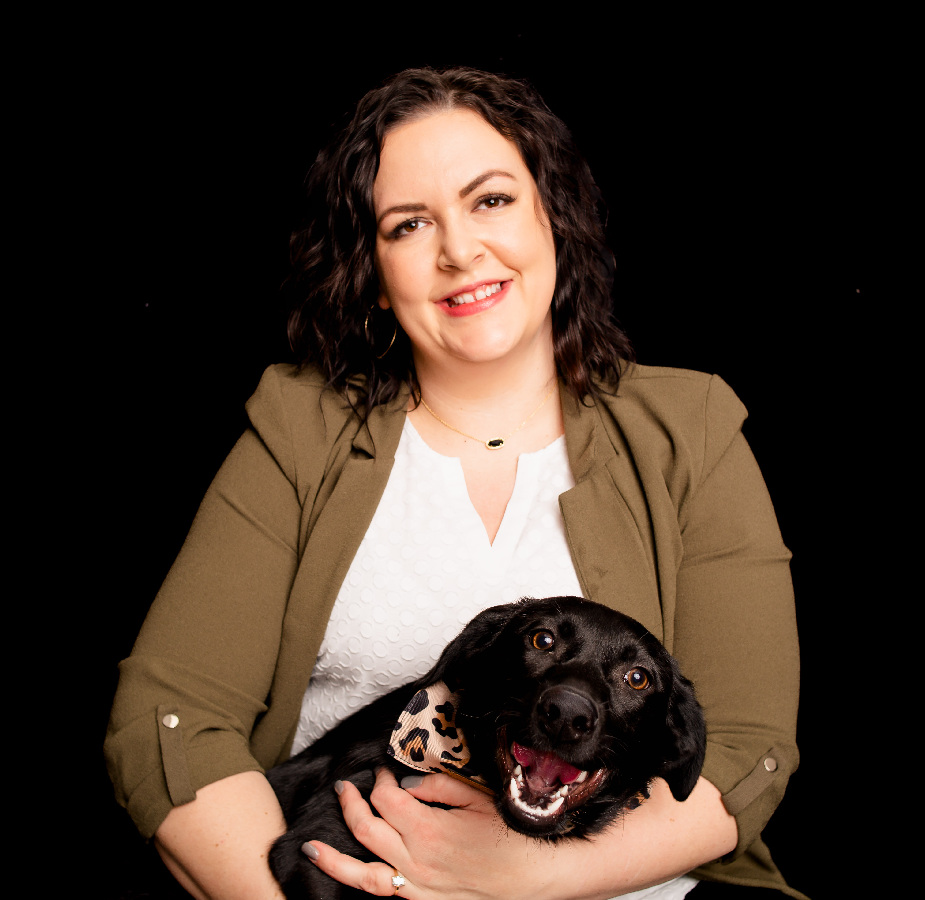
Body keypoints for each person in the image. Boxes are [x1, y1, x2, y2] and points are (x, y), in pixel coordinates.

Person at [105, 67, 805, 899]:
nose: (459, 250)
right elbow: (171, 720)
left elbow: (746, 748)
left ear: (554, 215)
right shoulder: (299, 430)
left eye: (491, 200)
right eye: (408, 223)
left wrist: (521, 876)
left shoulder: (689, 429)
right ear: (372, 271)